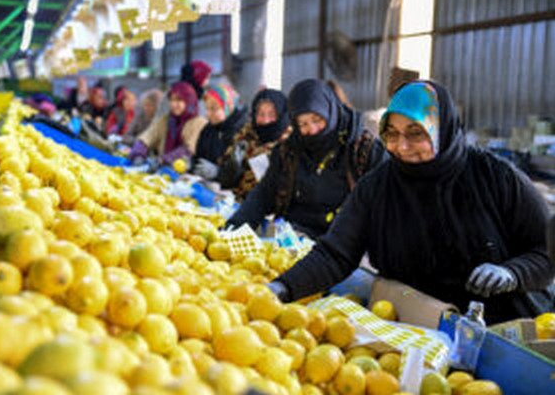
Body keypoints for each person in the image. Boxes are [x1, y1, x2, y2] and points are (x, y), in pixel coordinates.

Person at [268, 80, 555, 324]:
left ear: (441, 129)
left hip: (504, 330)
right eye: (392, 134)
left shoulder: (495, 177)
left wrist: (512, 272)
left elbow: (545, 251)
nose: (401, 147)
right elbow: (335, 254)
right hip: (420, 326)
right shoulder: (377, 188)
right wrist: (282, 287)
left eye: (416, 133)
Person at [225, 79, 387, 239]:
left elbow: (386, 205)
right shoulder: (289, 152)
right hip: (293, 238)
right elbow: (264, 194)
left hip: (345, 245)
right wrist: (233, 229)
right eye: (303, 124)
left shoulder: (364, 151)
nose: (312, 129)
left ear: (329, 111)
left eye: (317, 120)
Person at [217, 88, 292, 200]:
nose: (266, 120)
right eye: (261, 114)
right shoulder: (245, 135)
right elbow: (224, 179)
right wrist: (230, 169)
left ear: (282, 115)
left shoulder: (289, 145)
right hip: (233, 204)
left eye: (272, 114)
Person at [130, 82, 207, 163]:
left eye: (179, 100)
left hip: (188, 171)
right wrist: (138, 153)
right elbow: (148, 137)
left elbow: (188, 150)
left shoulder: (199, 123)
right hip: (164, 170)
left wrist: (163, 159)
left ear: (189, 101)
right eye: (172, 100)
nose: (174, 104)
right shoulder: (166, 121)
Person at [192, 83, 248, 179]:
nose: (208, 114)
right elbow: (199, 157)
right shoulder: (208, 130)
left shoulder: (243, 133)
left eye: (214, 109)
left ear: (228, 107)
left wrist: (218, 172)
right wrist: (191, 164)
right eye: (207, 108)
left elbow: (244, 174)